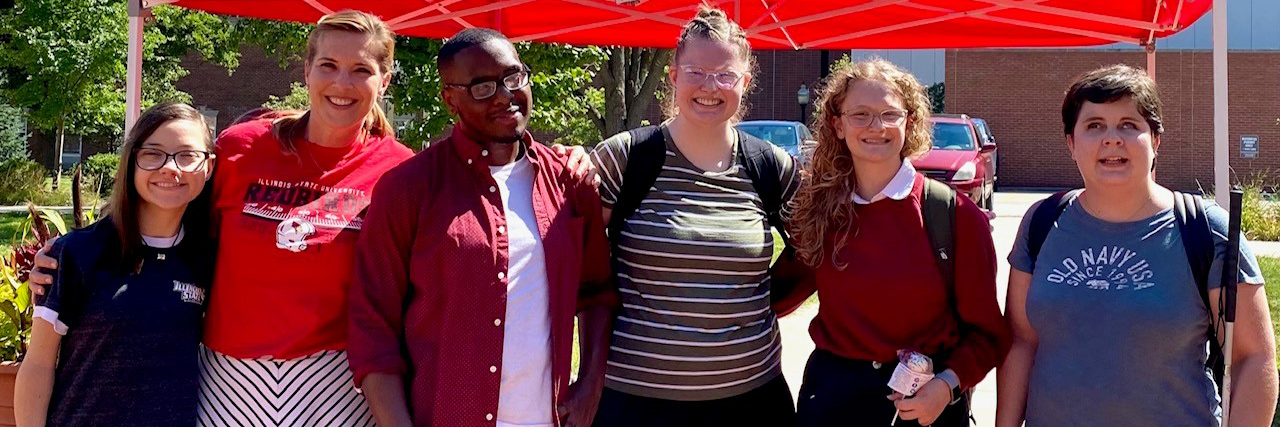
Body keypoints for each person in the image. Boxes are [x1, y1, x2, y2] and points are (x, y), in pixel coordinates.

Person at [29, 10, 414, 426]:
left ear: (384, 80)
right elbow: (168, 211)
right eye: (328, 66)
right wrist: (70, 256)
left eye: (361, 69)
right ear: (306, 70)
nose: (342, 83)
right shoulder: (241, 148)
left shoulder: (399, 170)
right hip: (228, 375)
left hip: (333, 381)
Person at [346, 28, 615, 427]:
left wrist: (591, 383)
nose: (505, 95)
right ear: (449, 99)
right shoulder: (408, 188)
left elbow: (597, 293)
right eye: (482, 87)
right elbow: (372, 325)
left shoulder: (568, 182)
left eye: (513, 77)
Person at [996, 64, 1277, 427]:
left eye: (1129, 125)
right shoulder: (1041, 223)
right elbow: (1022, 343)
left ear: (1156, 140)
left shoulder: (1206, 231)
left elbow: (1253, 358)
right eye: (1094, 125)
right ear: (1071, 143)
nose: (1112, 139)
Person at [586, 7, 801, 426]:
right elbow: (579, 270)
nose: (710, 86)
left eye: (725, 75)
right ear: (672, 76)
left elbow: (812, 255)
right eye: (695, 73)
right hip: (635, 402)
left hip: (751, 399)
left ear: (746, 82)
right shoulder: (624, 158)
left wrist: (756, 308)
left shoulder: (772, 166)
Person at [774, 58, 1009, 427]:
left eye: (889, 114)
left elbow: (988, 335)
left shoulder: (953, 215)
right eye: (861, 114)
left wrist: (947, 386)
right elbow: (773, 297)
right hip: (833, 403)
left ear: (909, 122)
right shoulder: (819, 214)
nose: (876, 127)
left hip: (925, 404)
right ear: (837, 124)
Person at [15, 102, 217, 426]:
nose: (170, 167)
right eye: (153, 153)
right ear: (132, 161)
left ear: (208, 167)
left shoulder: (208, 258)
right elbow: (38, 364)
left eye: (186, 155)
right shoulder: (77, 253)